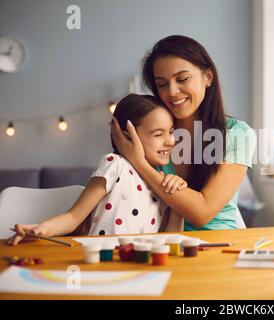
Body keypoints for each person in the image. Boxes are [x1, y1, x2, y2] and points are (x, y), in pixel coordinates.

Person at [111, 35, 256, 231]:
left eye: (182, 79)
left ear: (208, 77)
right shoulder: (151, 135)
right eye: (162, 84)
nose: (172, 92)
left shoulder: (237, 134)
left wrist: (139, 162)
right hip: (164, 245)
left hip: (220, 245)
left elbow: (202, 213)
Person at [7, 94, 186, 246]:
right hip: (101, 260)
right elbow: (73, 217)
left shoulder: (163, 181)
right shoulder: (115, 164)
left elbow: (168, 239)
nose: (170, 141)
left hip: (140, 264)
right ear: (127, 137)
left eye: (170, 132)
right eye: (158, 134)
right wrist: (40, 229)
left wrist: (179, 202)